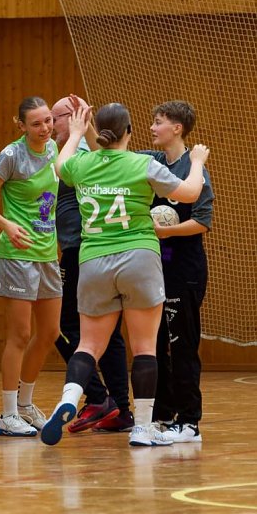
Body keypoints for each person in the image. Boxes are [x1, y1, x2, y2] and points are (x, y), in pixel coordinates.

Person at [40, 103, 209, 447]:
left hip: (93, 261)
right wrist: (198, 162)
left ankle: (68, 399)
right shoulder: (142, 163)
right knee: (145, 346)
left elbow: (59, 165)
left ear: (97, 131)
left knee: (88, 345)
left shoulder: (82, 164)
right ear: (128, 131)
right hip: (139, 258)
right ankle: (144, 429)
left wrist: (74, 134)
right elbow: (190, 193)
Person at [0, 97, 62, 437]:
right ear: (22, 125)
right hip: (17, 255)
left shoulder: (55, 149)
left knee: (50, 333)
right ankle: (8, 413)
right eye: (37, 123)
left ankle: (26, 405)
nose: (44, 128)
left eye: (48, 121)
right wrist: (7, 226)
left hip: (46, 254)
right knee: (20, 334)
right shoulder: (12, 156)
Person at [49, 95, 133, 434]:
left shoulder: (79, 155)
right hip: (86, 251)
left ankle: (99, 397)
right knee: (107, 331)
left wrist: (80, 133)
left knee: (58, 325)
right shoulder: (74, 151)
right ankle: (120, 408)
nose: (50, 125)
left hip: (82, 251)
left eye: (54, 118)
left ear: (71, 118)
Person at [142, 101, 214, 443]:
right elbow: (112, 152)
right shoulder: (153, 162)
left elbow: (201, 222)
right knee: (154, 343)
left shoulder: (194, 168)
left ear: (177, 128)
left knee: (181, 344)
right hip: (154, 267)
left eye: (159, 123)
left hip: (184, 269)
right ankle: (163, 415)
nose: (152, 128)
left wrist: (166, 232)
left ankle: (190, 421)